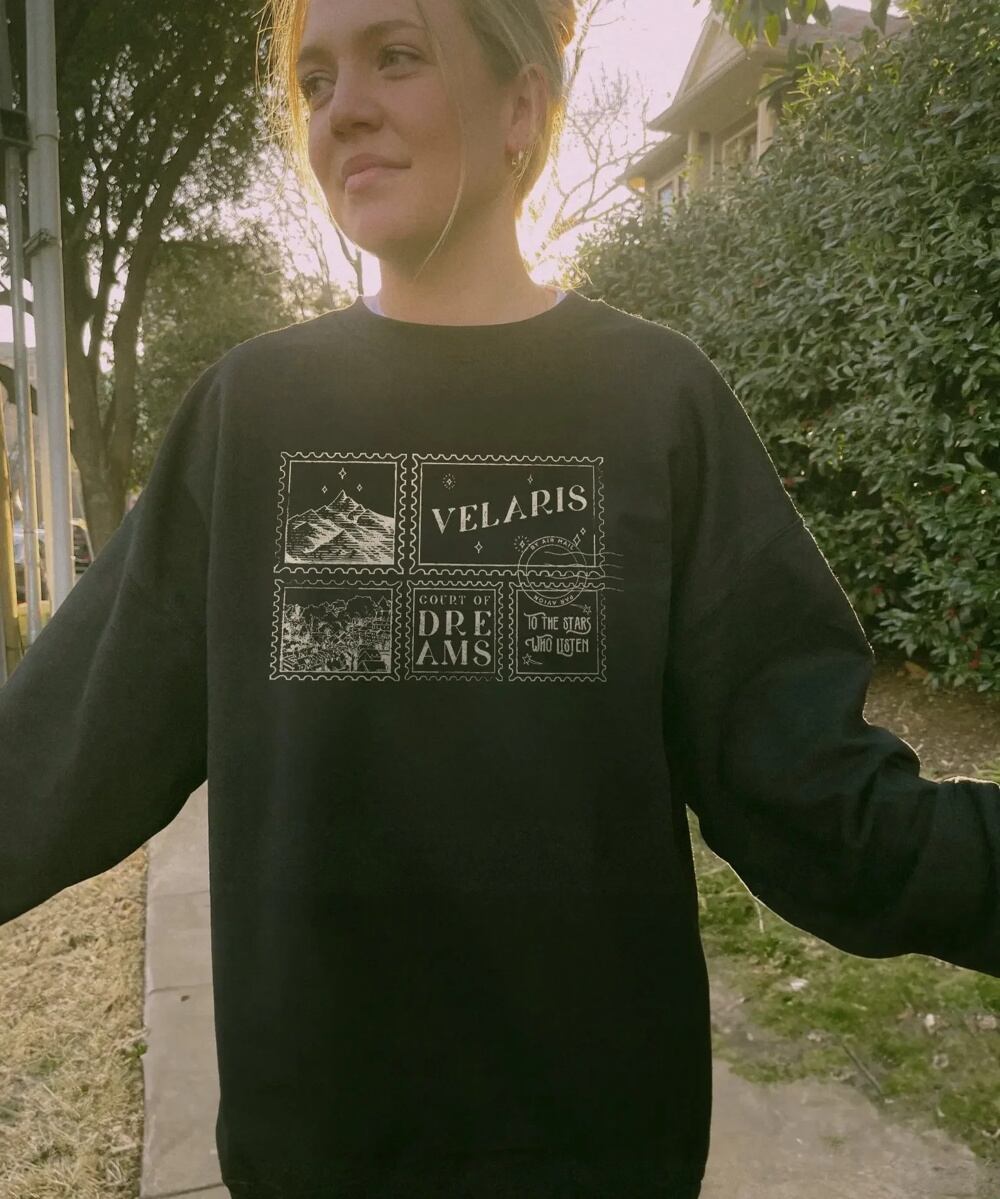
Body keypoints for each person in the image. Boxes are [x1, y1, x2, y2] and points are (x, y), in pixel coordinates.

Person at [1, 0, 998, 1196]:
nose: (343, 109)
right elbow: (57, 756)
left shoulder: (656, 402)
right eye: (315, 81)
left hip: (599, 1154)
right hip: (320, 1156)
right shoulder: (250, 414)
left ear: (522, 104)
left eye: (396, 57)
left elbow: (820, 809)